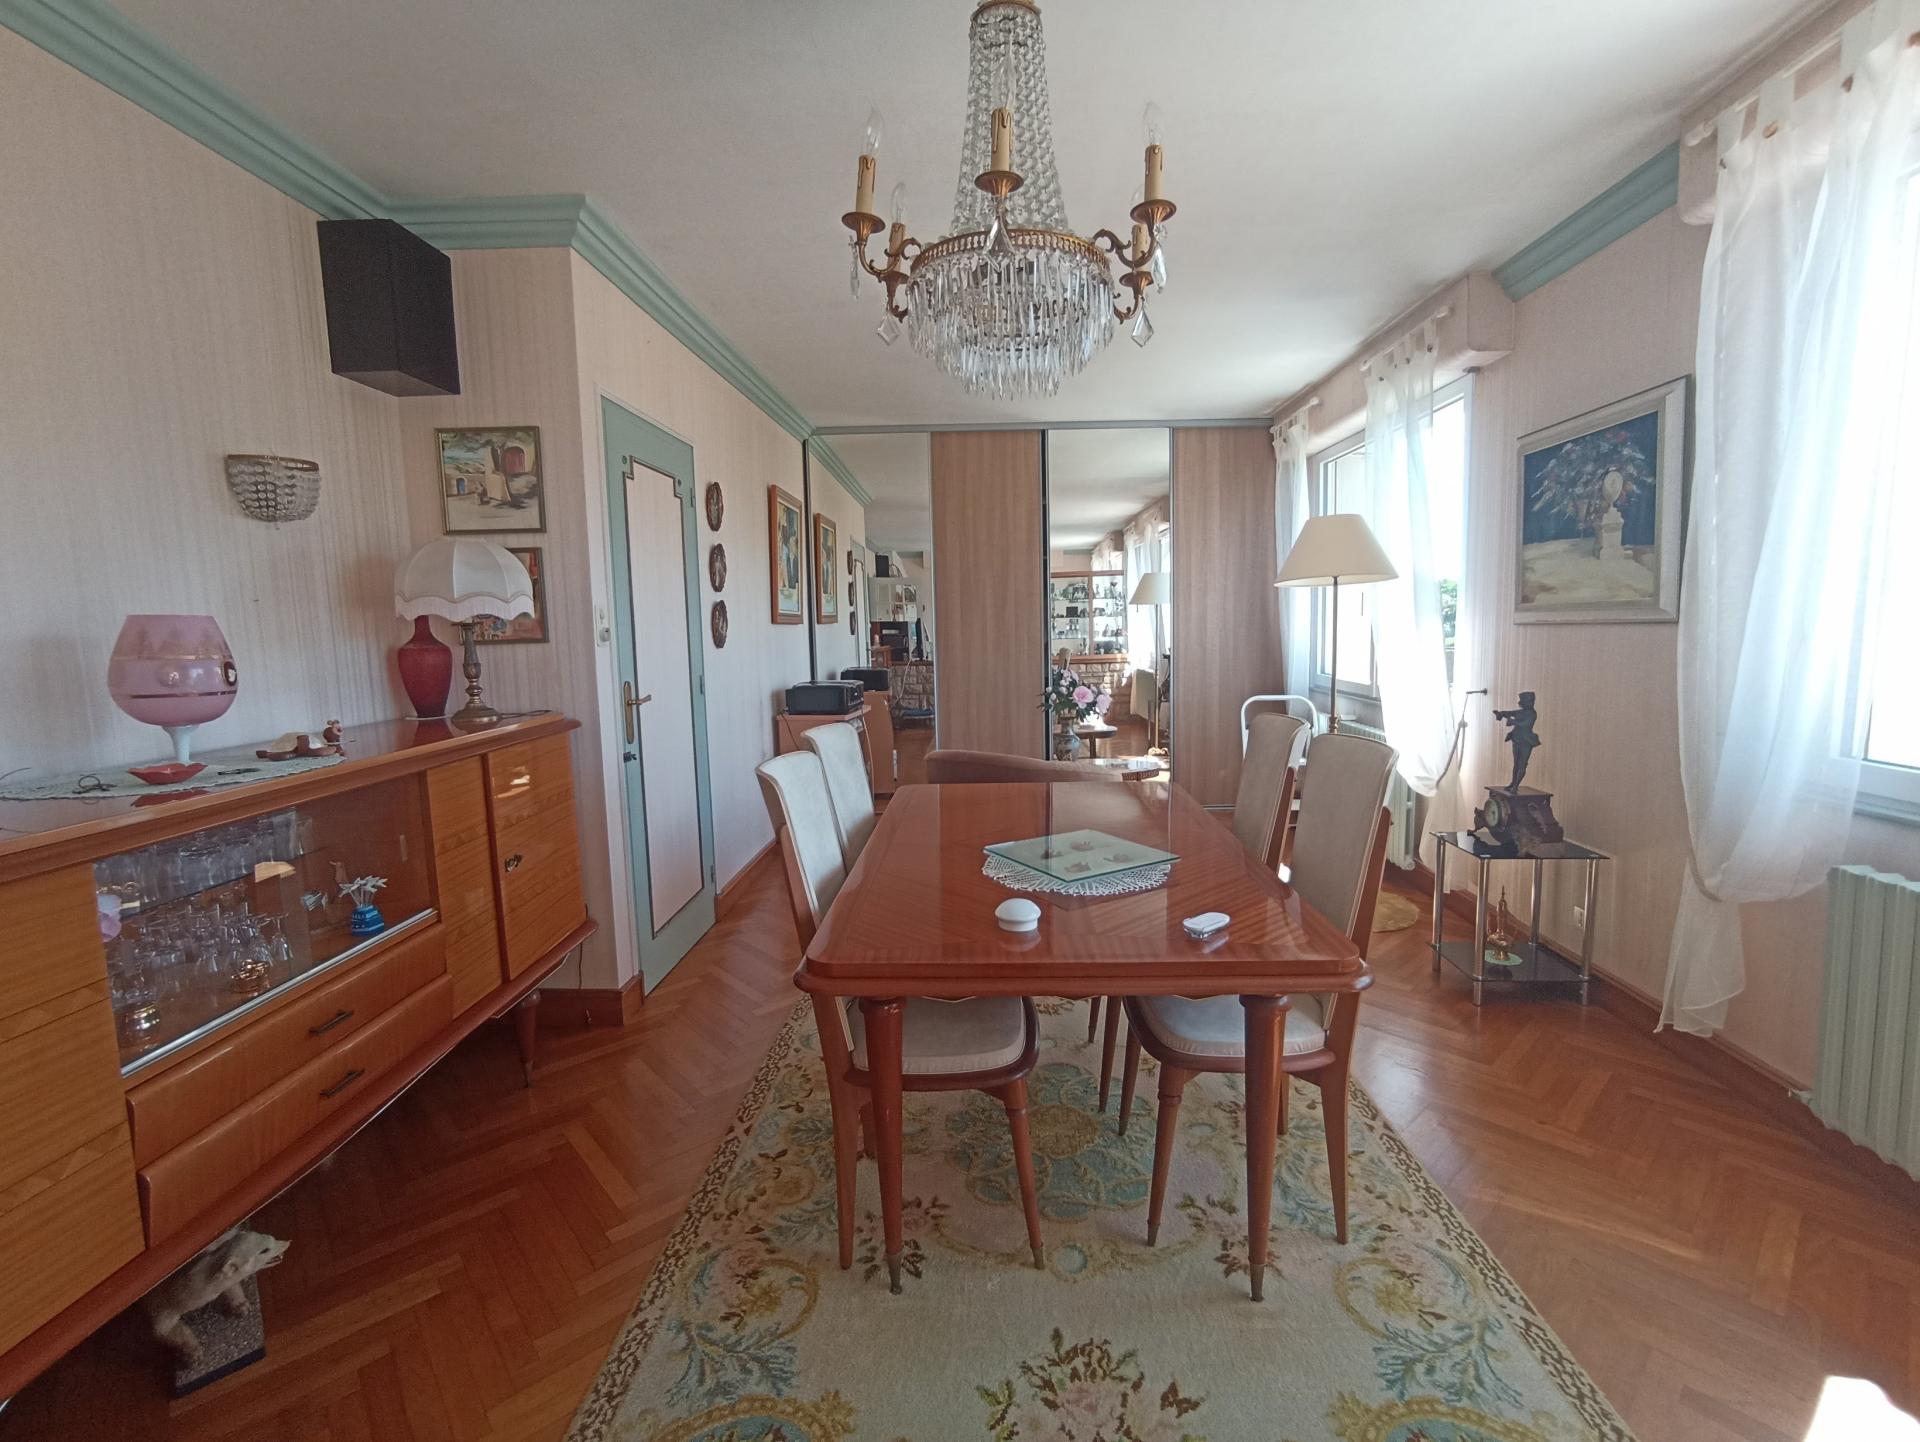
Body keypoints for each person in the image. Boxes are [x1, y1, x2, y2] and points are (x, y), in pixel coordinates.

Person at [1493, 691, 1541, 791]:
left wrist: (1513, 721)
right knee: (1516, 763)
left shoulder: (1532, 714)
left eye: (1523, 700)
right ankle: (1513, 783)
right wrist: (1501, 713)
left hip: (1526, 741)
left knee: (1522, 764)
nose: (1521, 702)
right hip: (1517, 739)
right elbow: (1510, 713)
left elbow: (1526, 724)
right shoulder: (1522, 712)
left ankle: (1516, 786)